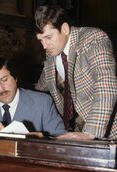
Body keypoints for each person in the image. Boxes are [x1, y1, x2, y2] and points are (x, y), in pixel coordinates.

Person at [34, 5, 117, 140]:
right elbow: (40, 89)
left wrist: (91, 132)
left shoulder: (93, 39)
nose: (44, 46)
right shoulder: (52, 54)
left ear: (65, 29)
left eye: (48, 37)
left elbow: (106, 84)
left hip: (108, 130)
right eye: (41, 40)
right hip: (73, 131)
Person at [0, 57, 66, 137]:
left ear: (15, 78)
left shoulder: (42, 102)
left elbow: (61, 138)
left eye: (4, 80)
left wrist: (41, 139)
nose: (1, 88)